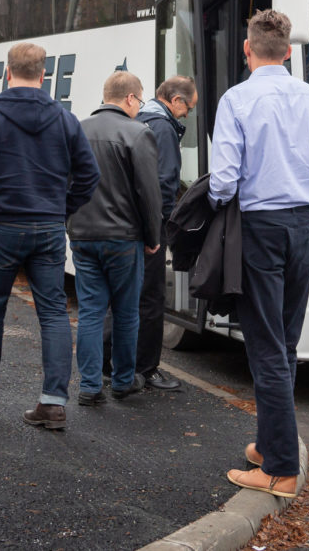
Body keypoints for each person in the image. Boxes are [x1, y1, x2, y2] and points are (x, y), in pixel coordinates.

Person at [210, 9, 309, 499]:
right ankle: (270, 442)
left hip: (260, 225)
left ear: (247, 50)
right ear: (287, 51)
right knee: (284, 341)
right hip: (305, 223)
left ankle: (280, 468)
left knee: (264, 344)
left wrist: (220, 210)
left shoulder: (237, 99)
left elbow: (224, 180)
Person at [0, 42, 100, 431]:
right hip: (49, 230)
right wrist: (62, 209)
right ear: (43, 75)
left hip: (2, 227)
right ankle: (52, 403)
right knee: (54, 312)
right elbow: (89, 175)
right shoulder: (65, 119)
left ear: (7, 73)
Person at [67, 71, 164, 405]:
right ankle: (123, 381)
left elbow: (64, 181)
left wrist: (71, 223)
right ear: (130, 99)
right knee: (125, 312)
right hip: (124, 238)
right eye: (139, 100)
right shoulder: (139, 133)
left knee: (91, 311)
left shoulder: (77, 129)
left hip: (83, 236)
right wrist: (153, 236)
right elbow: (149, 193)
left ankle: (90, 387)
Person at [130, 75, 198, 391]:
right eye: (188, 108)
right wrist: (165, 228)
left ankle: (110, 365)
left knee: (121, 297)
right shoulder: (163, 128)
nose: (187, 115)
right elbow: (166, 182)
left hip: (126, 223)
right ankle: (147, 368)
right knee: (152, 297)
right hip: (151, 224)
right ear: (175, 101)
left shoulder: (136, 120)